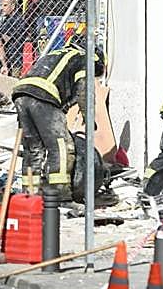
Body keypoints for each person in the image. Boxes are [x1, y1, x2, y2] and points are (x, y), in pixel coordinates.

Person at [11, 43, 106, 205]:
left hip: (21, 93)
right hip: (43, 95)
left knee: (33, 149)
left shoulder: (61, 54)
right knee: (62, 147)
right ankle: (60, 194)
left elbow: (64, 90)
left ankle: (30, 194)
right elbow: (84, 90)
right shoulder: (84, 59)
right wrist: (89, 118)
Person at [0, 0, 30, 77]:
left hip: (15, 58)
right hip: (7, 57)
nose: (2, 8)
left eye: (5, 5)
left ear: (13, 6)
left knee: (13, 79)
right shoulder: (7, 19)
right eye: (1, 5)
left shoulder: (17, 20)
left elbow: (5, 39)